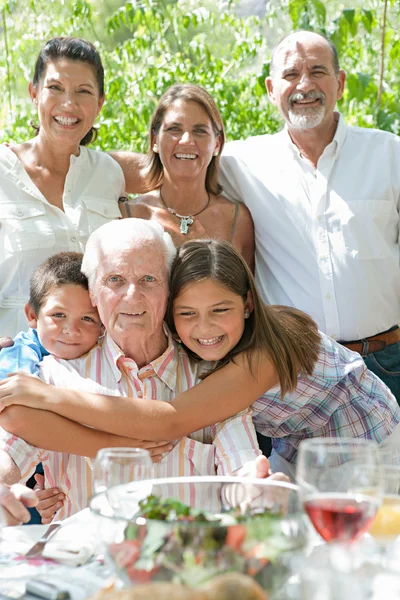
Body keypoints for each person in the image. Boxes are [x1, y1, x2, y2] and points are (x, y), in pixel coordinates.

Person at [1, 238, 399, 484]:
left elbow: (170, 419)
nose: (203, 327)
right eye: (187, 313)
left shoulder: (260, 356)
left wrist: (49, 398)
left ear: (246, 305)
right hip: (297, 445)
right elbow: (18, 420)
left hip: (369, 440)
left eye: (219, 310)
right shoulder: (103, 352)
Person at [0, 220, 265, 519]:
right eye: (114, 280)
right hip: (90, 558)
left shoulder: (213, 375)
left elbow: (242, 462)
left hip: (183, 557)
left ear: (169, 289)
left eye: (149, 279)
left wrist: (255, 487)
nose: (132, 296)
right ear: (93, 293)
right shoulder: (54, 376)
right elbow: (9, 451)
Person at [217, 31, 400, 402]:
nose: (305, 85)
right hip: (294, 368)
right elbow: (173, 166)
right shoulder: (240, 163)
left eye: (318, 71)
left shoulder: (389, 155)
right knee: (293, 464)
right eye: (290, 75)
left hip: (385, 363)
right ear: (271, 88)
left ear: (341, 83)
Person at [0, 36, 125, 338]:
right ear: (34, 93)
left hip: (94, 369)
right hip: (13, 368)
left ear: (100, 103)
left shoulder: (109, 174)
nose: (68, 104)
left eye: (84, 91)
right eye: (55, 88)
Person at [118, 83, 255, 270]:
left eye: (200, 131)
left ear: (217, 143)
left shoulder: (237, 220)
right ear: (154, 141)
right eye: (174, 129)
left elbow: (248, 297)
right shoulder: (128, 215)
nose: (186, 140)